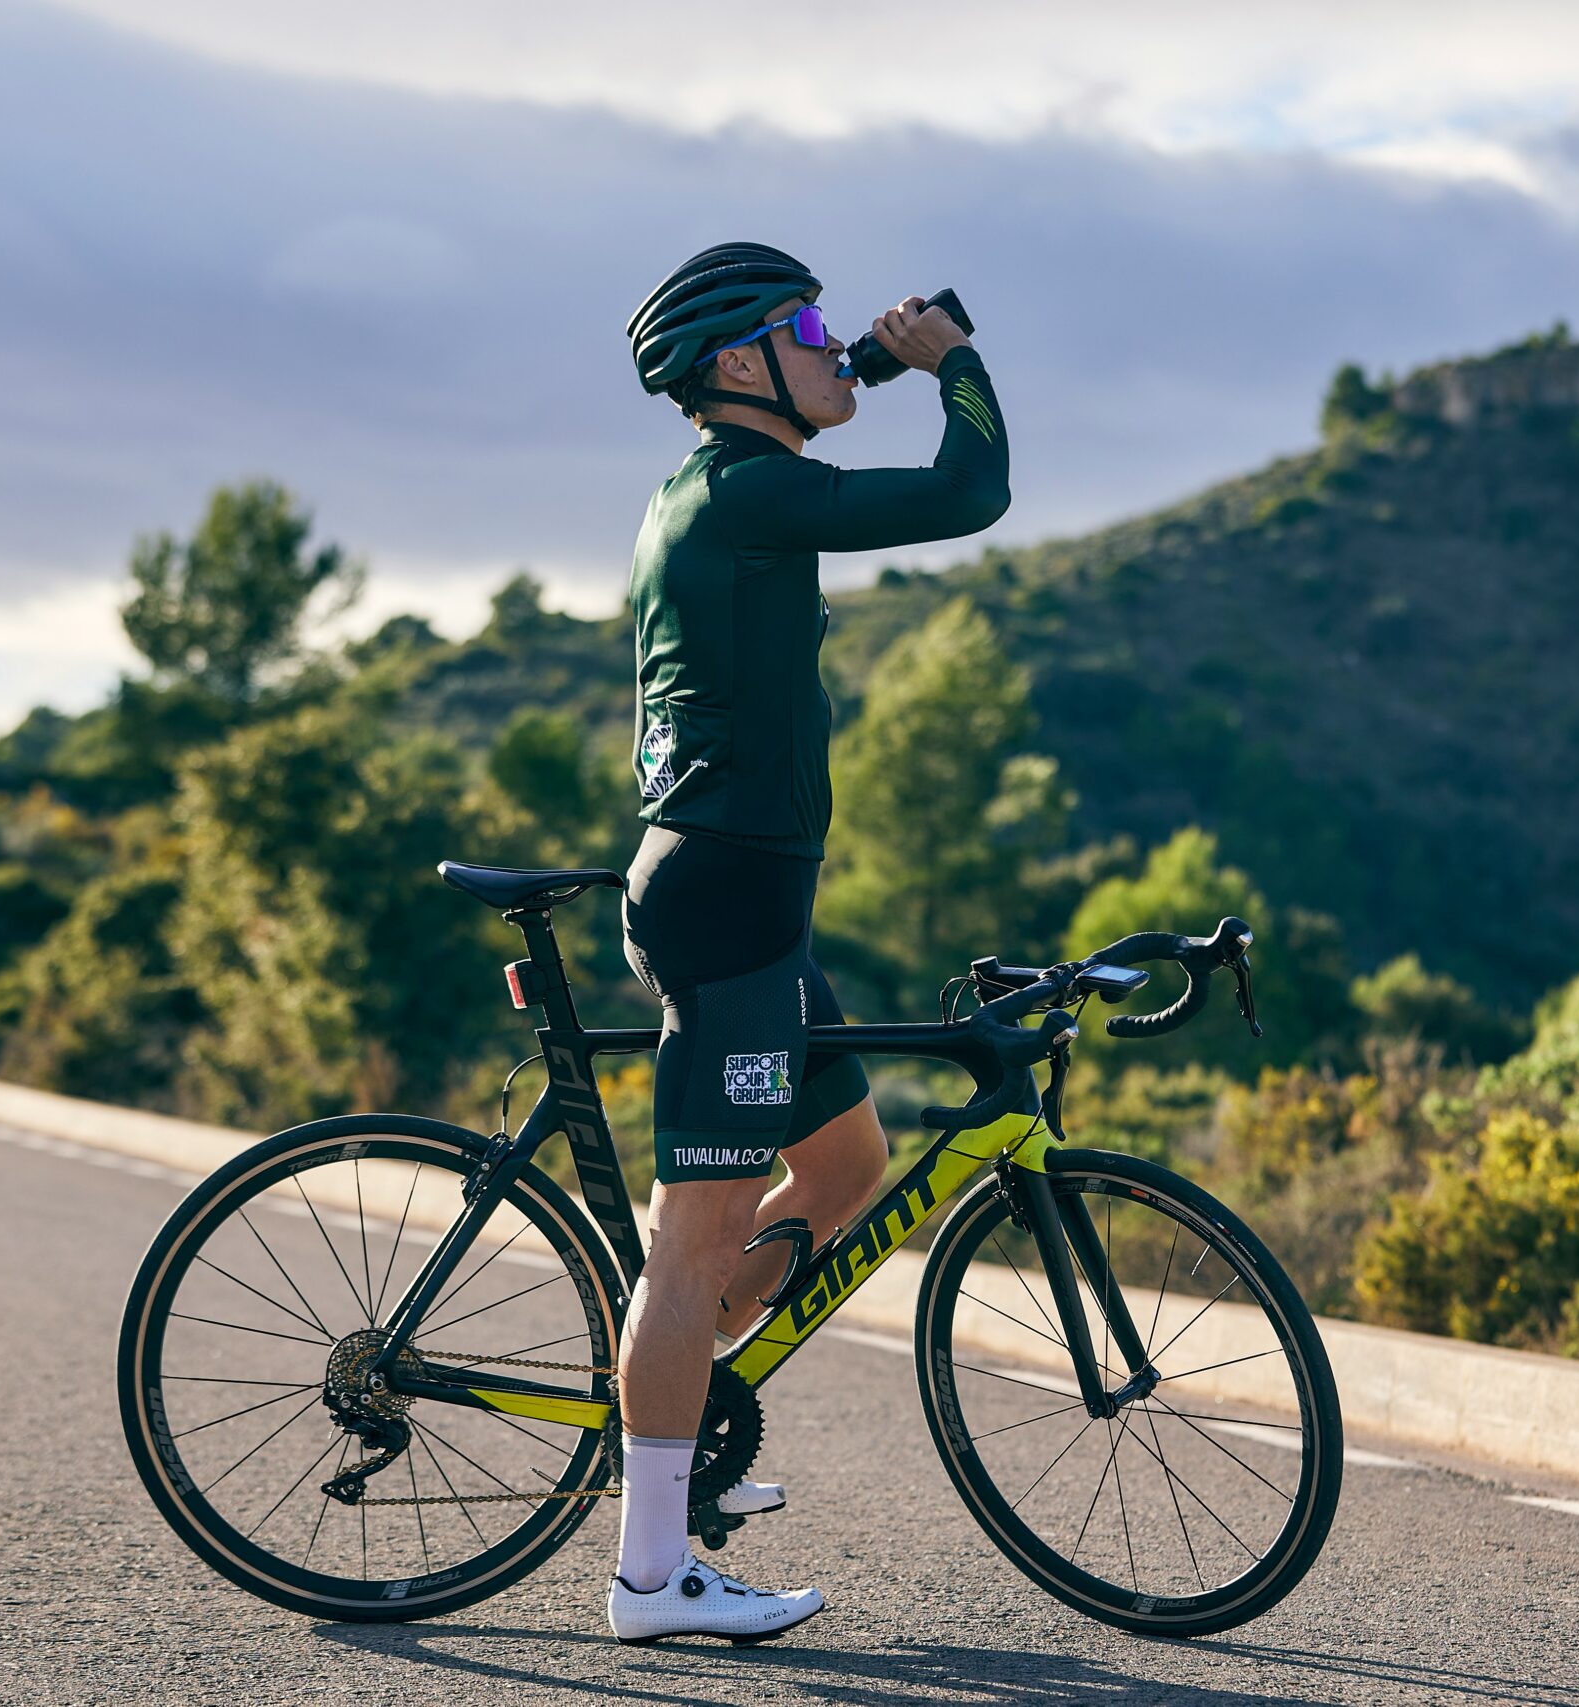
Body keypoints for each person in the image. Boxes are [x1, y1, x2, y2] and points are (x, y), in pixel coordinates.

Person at [607, 242, 1011, 1643]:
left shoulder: (711, 488)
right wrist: (952, 365)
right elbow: (974, 491)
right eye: (807, 325)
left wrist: (871, 364)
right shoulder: (752, 493)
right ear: (736, 364)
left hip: (739, 899)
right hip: (726, 904)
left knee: (845, 1166)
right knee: (694, 1238)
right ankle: (652, 1576)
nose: (835, 342)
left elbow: (825, 394)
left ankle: (692, 1403)